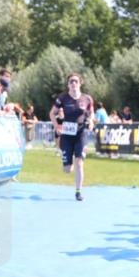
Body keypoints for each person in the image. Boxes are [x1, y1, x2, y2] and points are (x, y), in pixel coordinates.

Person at [49, 73, 94, 201]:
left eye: (76, 81)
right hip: (67, 135)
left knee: (79, 163)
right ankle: (70, 161)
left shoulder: (87, 99)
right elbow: (52, 113)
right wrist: (56, 125)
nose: (73, 83)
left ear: (80, 83)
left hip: (81, 133)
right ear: (68, 84)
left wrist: (90, 121)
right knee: (67, 169)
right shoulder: (62, 98)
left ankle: (78, 192)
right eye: (71, 82)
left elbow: (91, 114)